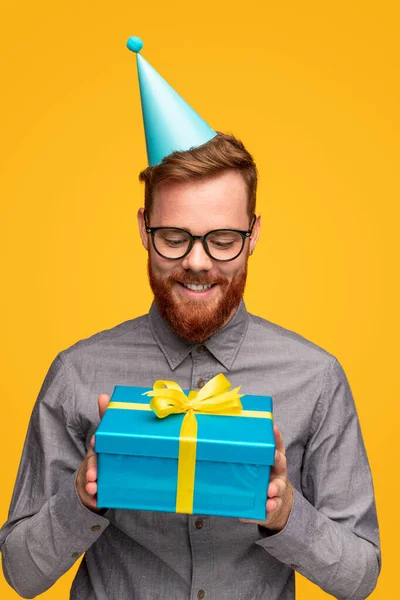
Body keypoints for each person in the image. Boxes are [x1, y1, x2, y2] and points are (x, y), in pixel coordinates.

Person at [0, 40, 380, 600]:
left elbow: (362, 576)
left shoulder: (316, 379)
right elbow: (20, 574)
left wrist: (287, 515)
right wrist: (80, 499)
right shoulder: (78, 373)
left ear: (253, 236)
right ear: (143, 229)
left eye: (223, 240)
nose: (198, 262)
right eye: (174, 237)